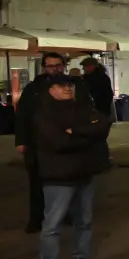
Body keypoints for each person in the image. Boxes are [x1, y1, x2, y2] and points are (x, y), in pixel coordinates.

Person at [35, 75, 111, 259]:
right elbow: (58, 142)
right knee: (53, 225)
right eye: (61, 85)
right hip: (58, 176)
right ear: (51, 89)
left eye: (69, 84)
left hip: (83, 172)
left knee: (84, 220)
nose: (67, 88)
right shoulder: (44, 114)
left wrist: (76, 131)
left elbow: (103, 126)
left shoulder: (81, 107)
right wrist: (87, 136)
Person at [16, 54, 95, 235]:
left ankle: (67, 215)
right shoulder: (34, 88)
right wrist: (20, 140)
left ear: (64, 66)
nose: (54, 69)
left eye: (58, 65)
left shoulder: (76, 86)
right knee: (37, 182)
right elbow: (23, 116)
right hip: (38, 142)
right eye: (50, 66)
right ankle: (37, 218)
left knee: (67, 181)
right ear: (44, 67)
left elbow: (89, 111)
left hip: (67, 142)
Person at [79, 57, 114, 166]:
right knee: (95, 139)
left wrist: (98, 110)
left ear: (93, 66)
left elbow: (107, 96)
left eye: (86, 66)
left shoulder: (100, 78)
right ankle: (99, 161)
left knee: (98, 138)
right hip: (94, 112)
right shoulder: (86, 78)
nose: (84, 68)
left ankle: (102, 162)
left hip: (98, 112)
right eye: (84, 67)